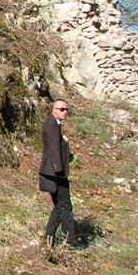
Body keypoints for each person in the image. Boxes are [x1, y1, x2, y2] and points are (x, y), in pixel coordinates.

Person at [38, 99, 82, 249]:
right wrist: (59, 170)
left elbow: (57, 146)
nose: (65, 112)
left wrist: (65, 146)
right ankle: (70, 241)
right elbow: (53, 149)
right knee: (65, 205)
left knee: (60, 205)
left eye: (66, 109)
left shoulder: (55, 124)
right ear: (54, 110)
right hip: (56, 172)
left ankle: (50, 237)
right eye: (62, 109)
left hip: (55, 171)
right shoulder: (52, 125)